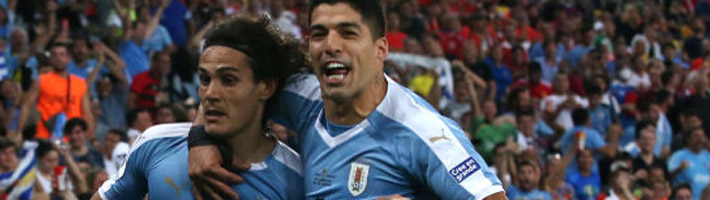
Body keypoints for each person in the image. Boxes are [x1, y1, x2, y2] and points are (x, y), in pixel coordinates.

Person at [188, 0, 506, 199]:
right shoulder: (303, 96)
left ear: (380, 50)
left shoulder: (422, 133)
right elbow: (229, 86)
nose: (330, 45)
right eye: (319, 33)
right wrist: (200, 137)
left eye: (348, 33)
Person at [97, 16, 303, 200]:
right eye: (205, 79)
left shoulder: (295, 179)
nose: (210, 93)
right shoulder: (155, 143)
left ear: (266, 86)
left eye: (228, 80)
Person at [38, 43, 95, 139]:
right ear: (50, 59)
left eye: (62, 55)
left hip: (73, 137)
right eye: (54, 55)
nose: (58, 58)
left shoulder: (80, 83)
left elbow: (87, 112)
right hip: (47, 135)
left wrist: (91, 137)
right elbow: (27, 106)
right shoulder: (41, 80)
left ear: (68, 58)